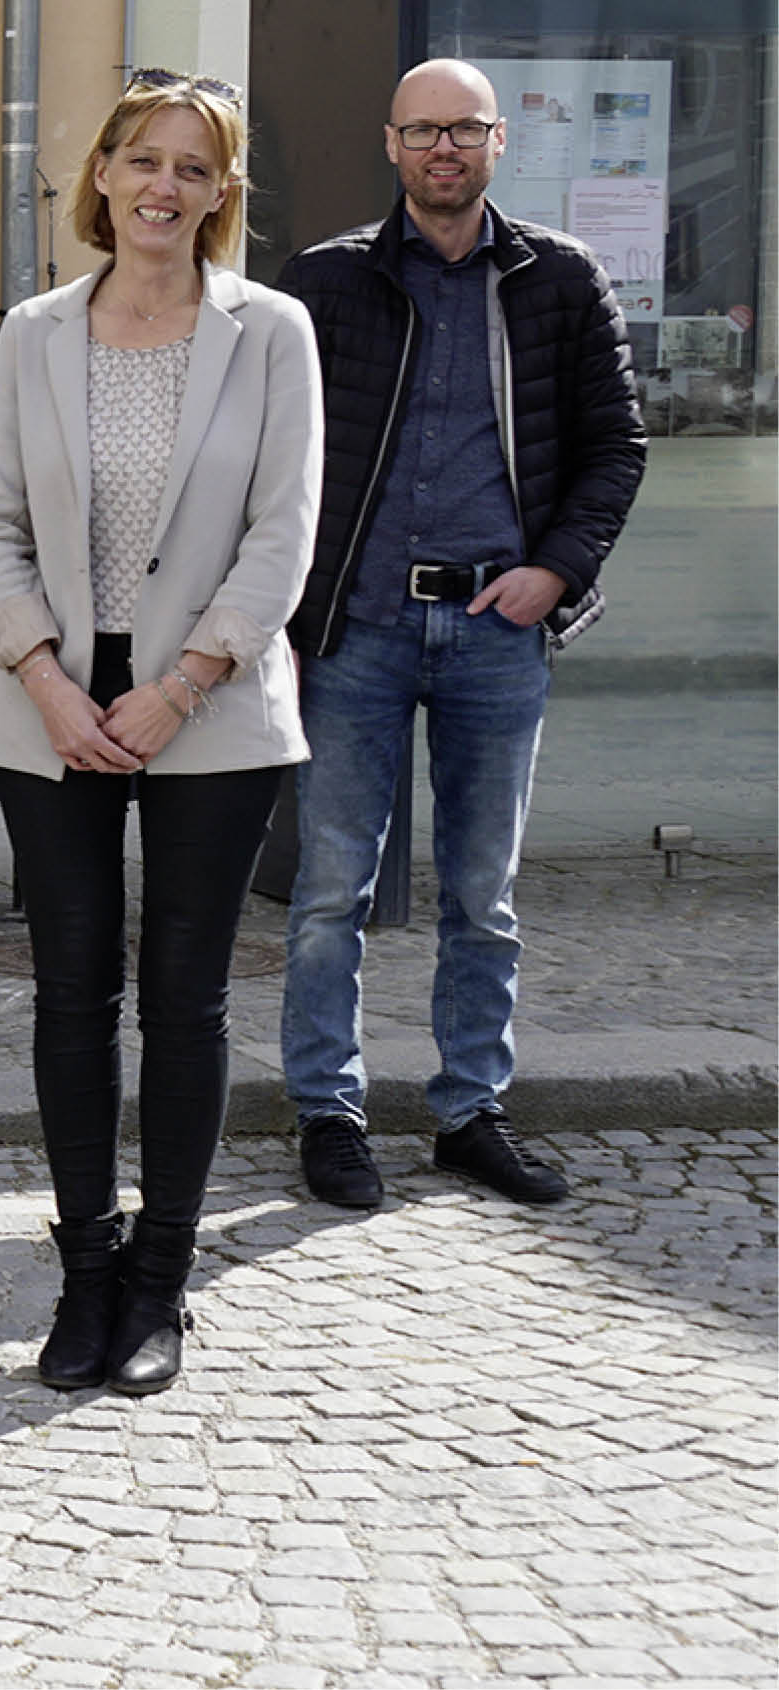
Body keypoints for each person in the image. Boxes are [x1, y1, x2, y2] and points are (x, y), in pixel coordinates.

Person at [0, 74, 322, 1394]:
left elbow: (283, 530)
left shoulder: (269, 331)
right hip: (53, 699)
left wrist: (179, 683)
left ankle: (161, 1280)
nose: (163, 186)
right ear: (103, 174)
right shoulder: (34, 331)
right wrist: (45, 678)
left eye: (192, 166)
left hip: (210, 704)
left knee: (185, 995)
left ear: (220, 192)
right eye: (142, 159)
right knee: (69, 990)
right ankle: (84, 1275)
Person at [276, 59, 646, 1211]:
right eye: (423, 129)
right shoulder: (323, 281)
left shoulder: (559, 278)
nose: (443, 147)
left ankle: (469, 1111)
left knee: (482, 895)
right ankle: (326, 1113)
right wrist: (288, 606)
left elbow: (614, 446)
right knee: (328, 890)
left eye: (464, 129)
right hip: (357, 627)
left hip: (496, 625)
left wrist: (555, 570)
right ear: (389, 143)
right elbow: (269, 453)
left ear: (497, 143)